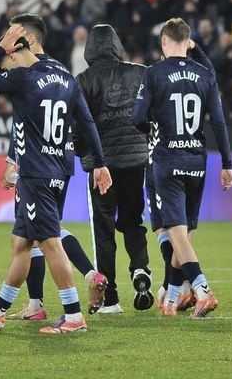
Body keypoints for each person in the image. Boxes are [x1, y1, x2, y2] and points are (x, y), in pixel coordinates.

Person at [0, 25, 112, 334]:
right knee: (22, 241)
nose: (6, 67)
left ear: (19, 49)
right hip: (60, 168)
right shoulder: (65, 77)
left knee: (49, 241)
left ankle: (73, 316)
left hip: (36, 172)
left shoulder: (23, 76)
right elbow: (85, 121)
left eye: (8, 59)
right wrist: (100, 163)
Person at [132, 18, 232, 318]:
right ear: (188, 41)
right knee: (183, 232)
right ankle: (175, 294)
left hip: (167, 159)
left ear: (164, 40)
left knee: (174, 230)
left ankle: (202, 289)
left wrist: (153, 124)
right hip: (196, 160)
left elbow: (137, 117)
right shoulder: (205, 74)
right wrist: (227, 163)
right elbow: (219, 122)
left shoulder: (153, 73)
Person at [74, 24, 152, 314]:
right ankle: (140, 269)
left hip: (101, 167)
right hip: (135, 161)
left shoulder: (83, 80)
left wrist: (85, 157)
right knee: (133, 221)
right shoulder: (140, 73)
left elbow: (79, 125)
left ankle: (111, 299)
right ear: (117, 45)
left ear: (89, 50)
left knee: (103, 231)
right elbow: (150, 113)